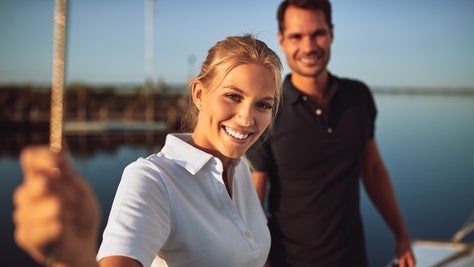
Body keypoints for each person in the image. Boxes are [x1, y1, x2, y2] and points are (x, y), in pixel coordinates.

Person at [13, 34, 283, 267]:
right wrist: (77, 256)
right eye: (234, 96)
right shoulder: (153, 179)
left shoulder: (243, 171)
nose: (247, 119)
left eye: (263, 105)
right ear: (199, 94)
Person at [245, 1, 416, 266]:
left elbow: (372, 170)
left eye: (318, 34)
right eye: (296, 36)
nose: (309, 47)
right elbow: (254, 201)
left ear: (331, 33)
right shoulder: (268, 109)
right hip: (289, 261)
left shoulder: (358, 97)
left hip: (353, 257)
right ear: (282, 40)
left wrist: (401, 235)